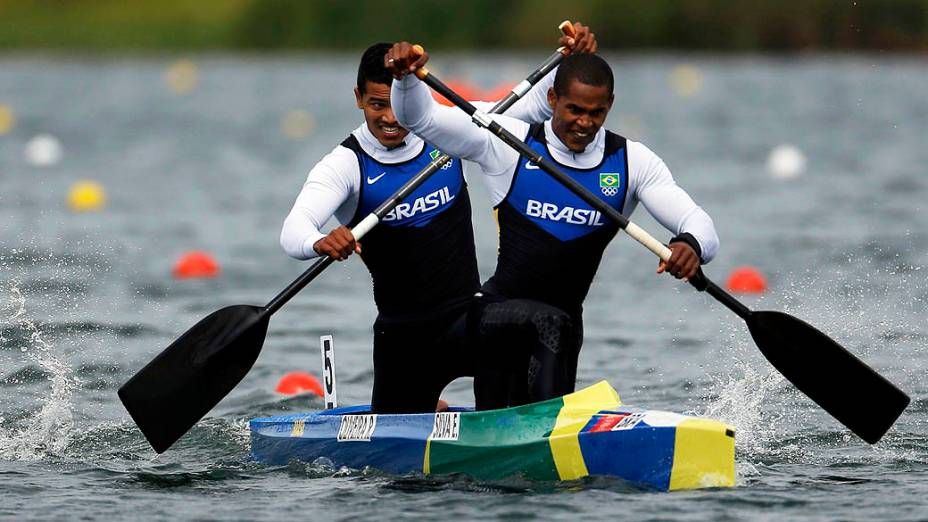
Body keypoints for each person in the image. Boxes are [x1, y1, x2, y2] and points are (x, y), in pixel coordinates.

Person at [280, 29, 597, 413]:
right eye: (377, 105)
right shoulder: (345, 165)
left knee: (547, 321)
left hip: (470, 318)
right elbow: (293, 230)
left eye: (396, 104)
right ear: (358, 98)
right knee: (404, 471)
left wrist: (566, 59)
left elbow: (530, 108)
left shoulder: (444, 130)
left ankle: (540, 426)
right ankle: (436, 413)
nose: (390, 118)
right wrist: (319, 241)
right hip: (404, 337)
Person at [386, 48, 719, 409]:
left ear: (610, 104)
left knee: (546, 348)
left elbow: (699, 224)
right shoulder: (507, 140)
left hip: (562, 333)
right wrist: (404, 79)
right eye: (574, 110)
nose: (584, 123)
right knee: (551, 324)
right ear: (552, 99)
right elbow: (421, 118)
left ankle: (517, 434)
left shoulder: (631, 162)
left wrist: (690, 245)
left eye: (596, 113)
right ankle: (538, 432)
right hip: (493, 320)